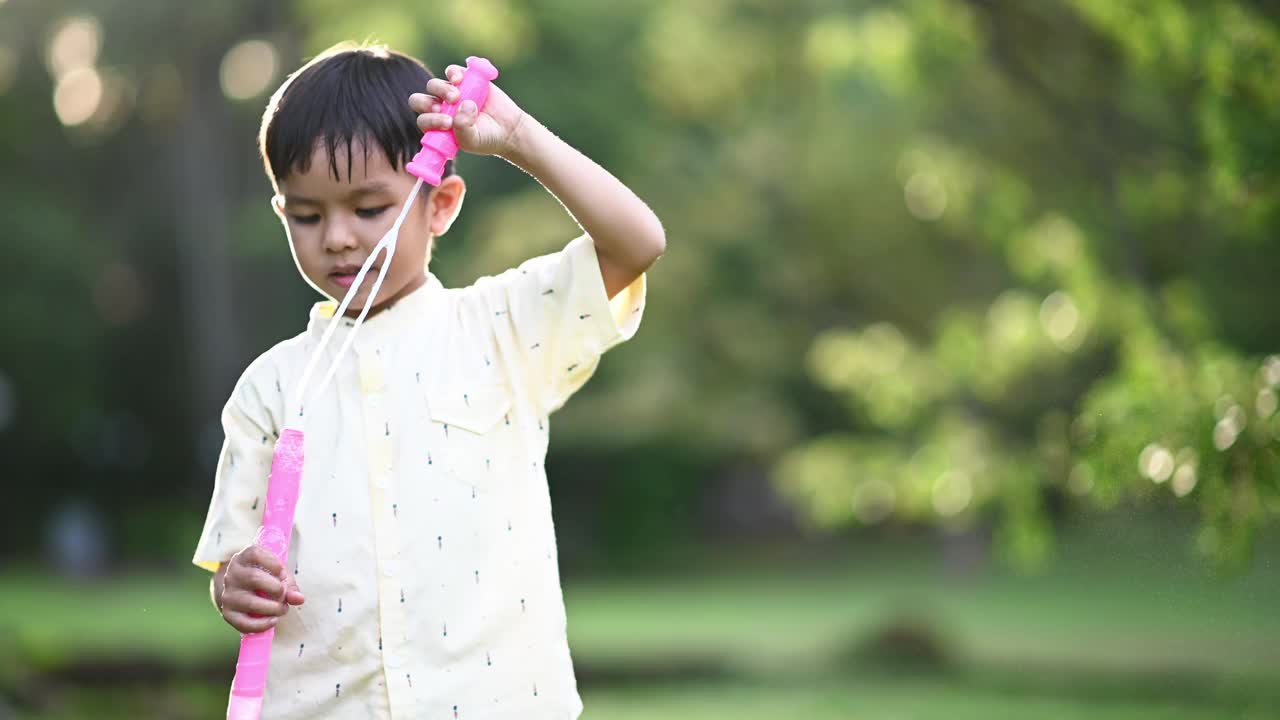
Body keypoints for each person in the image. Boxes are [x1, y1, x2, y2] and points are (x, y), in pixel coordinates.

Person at [192, 41, 664, 719]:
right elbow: (234, 557)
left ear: (438, 205)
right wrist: (233, 586)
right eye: (307, 215)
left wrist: (518, 139)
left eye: (369, 208)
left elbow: (637, 243)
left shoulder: (504, 329)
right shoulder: (269, 389)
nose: (338, 238)